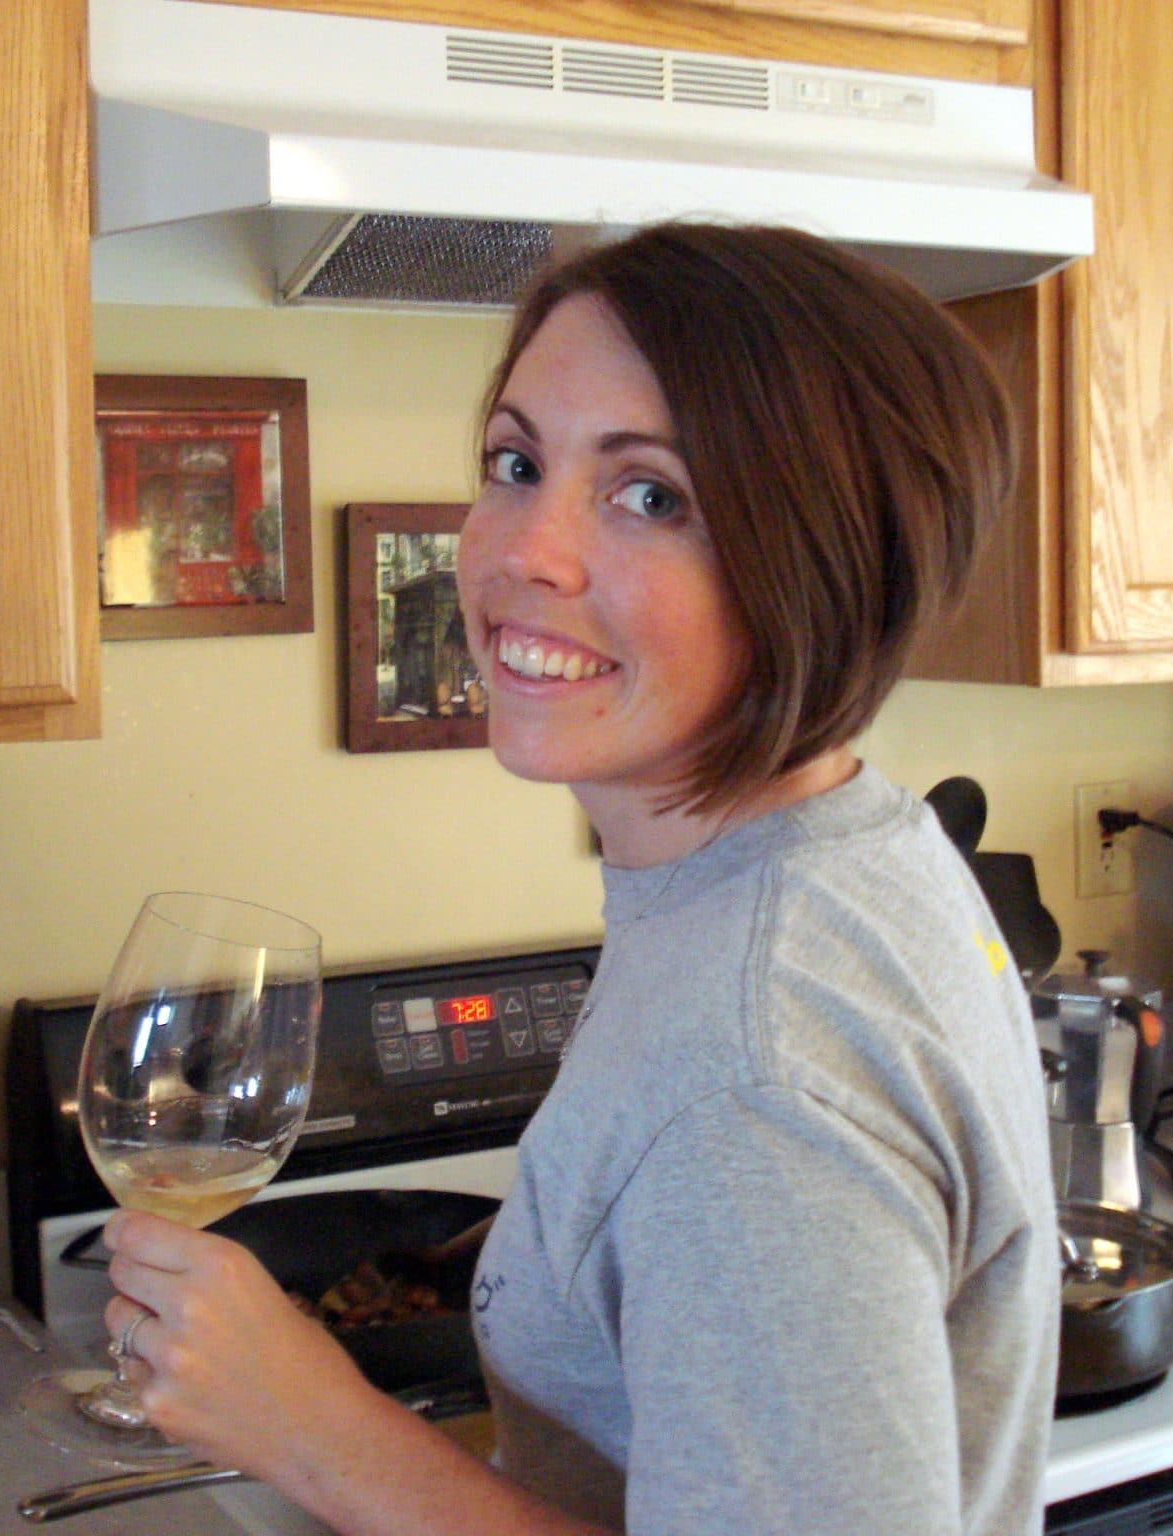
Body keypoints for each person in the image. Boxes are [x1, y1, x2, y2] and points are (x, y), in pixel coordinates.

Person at [102, 222, 1057, 1536]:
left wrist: (314, 1427)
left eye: (650, 494)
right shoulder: (850, 847)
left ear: (824, 562)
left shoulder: (753, 1082)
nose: (521, 552)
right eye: (516, 462)